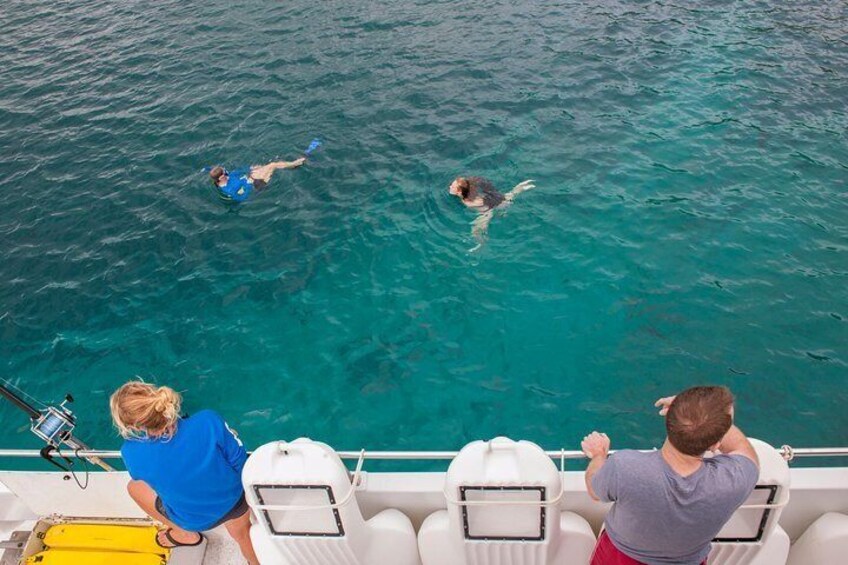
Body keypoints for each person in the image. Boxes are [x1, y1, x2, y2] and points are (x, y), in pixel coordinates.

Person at [582, 386, 760, 565]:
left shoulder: (624, 467)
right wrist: (712, 422)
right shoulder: (734, 480)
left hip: (619, 558)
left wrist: (599, 455)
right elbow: (743, 450)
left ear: (668, 422)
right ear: (716, 444)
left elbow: (594, 490)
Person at [110, 381, 258, 565]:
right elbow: (239, 461)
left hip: (192, 519)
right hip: (235, 501)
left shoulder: (130, 453)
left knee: (134, 488)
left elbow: (149, 479)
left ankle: (183, 533)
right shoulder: (208, 420)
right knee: (243, 536)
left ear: (134, 426)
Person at [448, 176, 535, 248]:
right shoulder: (470, 188)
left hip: (487, 212)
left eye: (452, 186)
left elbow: (487, 206)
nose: (450, 186)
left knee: (475, 231)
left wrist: (494, 213)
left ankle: (480, 245)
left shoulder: (468, 202)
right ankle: (522, 186)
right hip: (493, 201)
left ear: (459, 191)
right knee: (509, 196)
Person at [209, 157, 306, 202]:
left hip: (251, 177)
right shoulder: (228, 190)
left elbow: (238, 171)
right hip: (255, 185)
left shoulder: (228, 176)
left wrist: (250, 168)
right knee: (273, 165)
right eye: (225, 172)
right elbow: (241, 198)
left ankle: (292, 165)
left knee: (271, 164)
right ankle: (294, 164)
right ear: (221, 177)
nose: (227, 172)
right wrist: (248, 184)